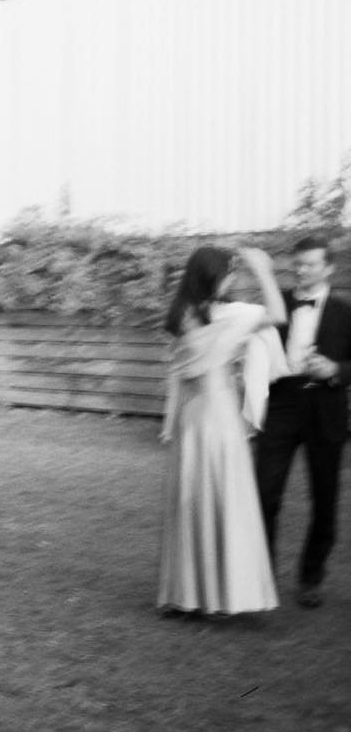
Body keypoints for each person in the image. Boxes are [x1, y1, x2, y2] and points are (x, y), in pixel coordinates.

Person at [158, 245, 283, 618]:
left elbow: (179, 374)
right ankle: (222, 595)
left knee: (191, 500)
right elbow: (277, 314)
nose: (233, 279)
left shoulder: (181, 314)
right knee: (223, 496)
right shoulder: (229, 315)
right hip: (219, 416)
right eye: (229, 273)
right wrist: (264, 271)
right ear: (213, 276)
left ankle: (190, 593)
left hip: (191, 418)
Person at [254, 235, 351, 609]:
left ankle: (311, 577)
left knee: (325, 499)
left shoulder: (345, 311)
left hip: (325, 406)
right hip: (280, 404)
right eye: (298, 263)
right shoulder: (276, 304)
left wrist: (336, 369)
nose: (301, 269)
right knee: (263, 493)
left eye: (310, 263)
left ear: (328, 268)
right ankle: (261, 578)